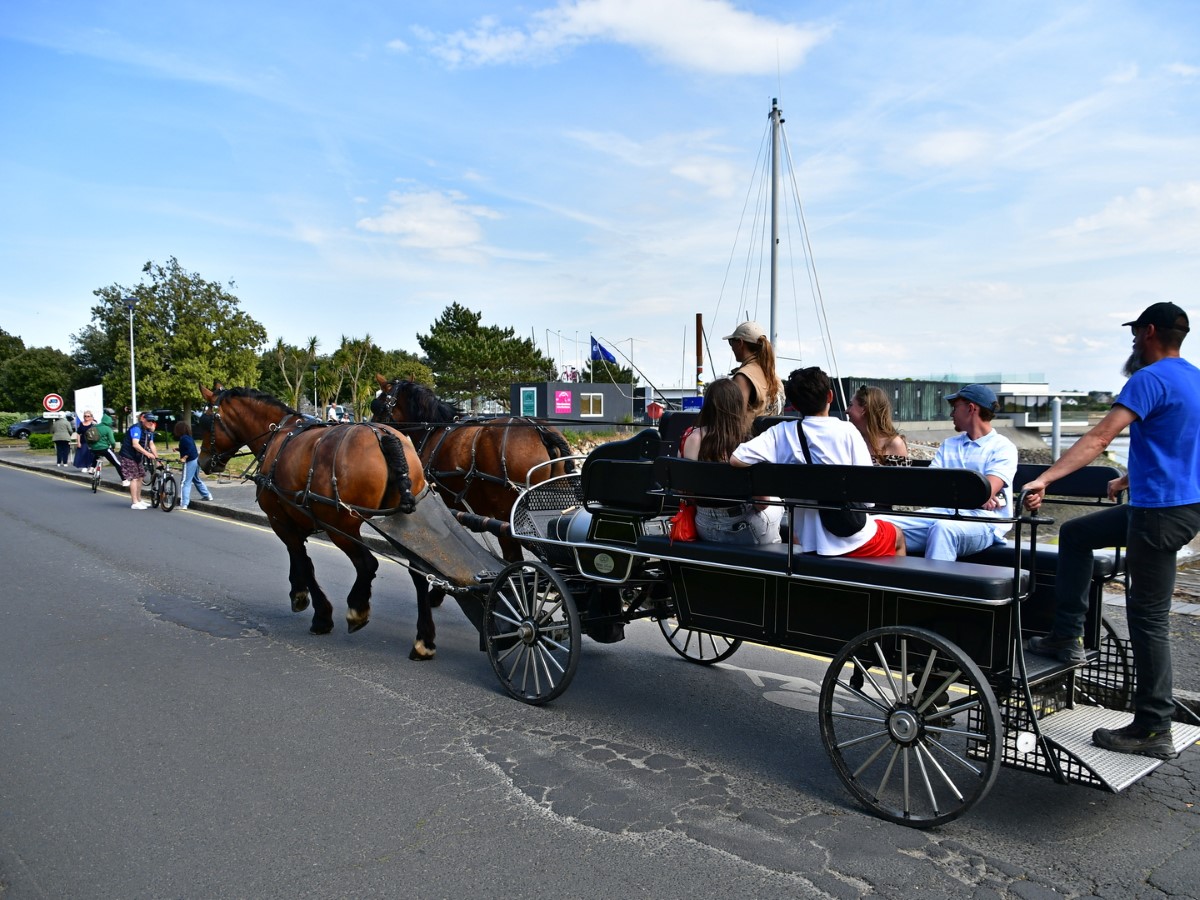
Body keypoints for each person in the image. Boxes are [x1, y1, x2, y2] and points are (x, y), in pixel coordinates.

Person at [1023, 302, 1200, 759]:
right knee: (1076, 535)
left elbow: (1099, 438)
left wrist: (1046, 478)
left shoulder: (1148, 378)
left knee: (1149, 618)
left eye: (1136, 333)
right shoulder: (1194, 378)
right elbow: (1180, 446)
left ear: (1151, 332)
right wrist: (1130, 478)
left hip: (1157, 514)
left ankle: (1152, 727)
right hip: (1178, 506)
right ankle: (1068, 635)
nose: (1133, 341)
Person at [730, 366, 904, 558]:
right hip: (851, 539)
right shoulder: (848, 431)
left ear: (795, 406)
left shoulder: (780, 433)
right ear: (830, 396)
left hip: (805, 540)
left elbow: (737, 458)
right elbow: (868, 501)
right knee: (897, 536)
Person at [882, 384, 1017, 561]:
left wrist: (979, 493)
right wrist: (975, 494)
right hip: (942, 513)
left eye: (955, 408)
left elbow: (984, 490)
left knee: (943, 529)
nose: (951, 414)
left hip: (984, 522)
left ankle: (932, 587)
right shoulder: (950, 444)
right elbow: (932, 485)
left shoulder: (1002, 447)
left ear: (970, 408)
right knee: (879, 523)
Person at [680, 378, 782, 544]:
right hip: (742, 528)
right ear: (738, 406)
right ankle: (774, 552)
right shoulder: (747, 443)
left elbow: (688, 491)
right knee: (778, 503)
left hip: (703, 526)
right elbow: (762, 504)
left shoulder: (691, 438)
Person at [723, 321, 784, 426]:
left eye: (731, 342)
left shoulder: (743, 376)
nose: (731, 347)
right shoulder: (775, 377)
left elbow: (735, 419)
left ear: (740, 343)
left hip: (751, 439)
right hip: (775, 439)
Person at [848, 385, 909, 465]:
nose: (846, 410)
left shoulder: (894, 444)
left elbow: (903, 477)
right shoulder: (851, 440)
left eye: (850, 405)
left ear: (864, 409)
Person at [119, 411, 160, 509]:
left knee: (141, 476)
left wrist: (157, 458)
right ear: (143, 419)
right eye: (149, 420)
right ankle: (134, 502)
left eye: (153, 421)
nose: (151, 422)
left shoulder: (149, 431)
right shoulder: (136, 428)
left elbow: (151, 444)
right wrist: (147, 454)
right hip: (128, 455)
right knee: (134, 478)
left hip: (138, 457)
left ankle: (139, 499)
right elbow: (135, 444)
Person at [174, 420, 213, 509]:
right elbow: (188, 448)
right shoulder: (188, 437)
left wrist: (184, 458)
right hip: (196, 459)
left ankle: (184, 504)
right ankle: (207, 495)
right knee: (196, 479)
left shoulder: (184, 438)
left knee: (185, 482)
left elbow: (190, 449)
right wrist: (178, 449)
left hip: (190, 461)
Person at [87, 412, 122, 479]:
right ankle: (124, 480)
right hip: (104, 448)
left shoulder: (94, 427)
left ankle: (92, 468)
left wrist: (90, 446)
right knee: (117, 463)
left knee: (96, 455)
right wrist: (114, 447)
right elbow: (112, 441)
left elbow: (88, 437)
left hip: (93, 448)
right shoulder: (108, 429)